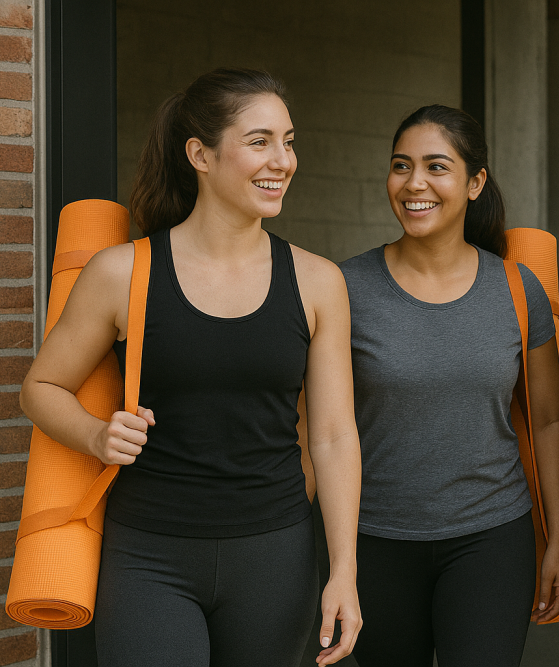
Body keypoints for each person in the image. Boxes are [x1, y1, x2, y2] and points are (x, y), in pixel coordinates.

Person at [20, 68, 362, 667]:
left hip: (274, 556)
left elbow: (333, 437)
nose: (282, 159)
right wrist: (97, 435)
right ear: (199, 155)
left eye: (289, 140)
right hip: (149, 554)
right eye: (259, 142)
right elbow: (41, 388)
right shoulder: (121, 273)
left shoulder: (317, 282)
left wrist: (344, 572)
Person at [338, 104, 559, 667]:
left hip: (492, 538)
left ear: (475, 183)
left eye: (436, 166)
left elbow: (549, 419)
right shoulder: (344, 287)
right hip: (374, 540)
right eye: (401, 165)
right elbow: (317, 429)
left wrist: (558, 537)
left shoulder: (518, 290)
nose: (414, 183)